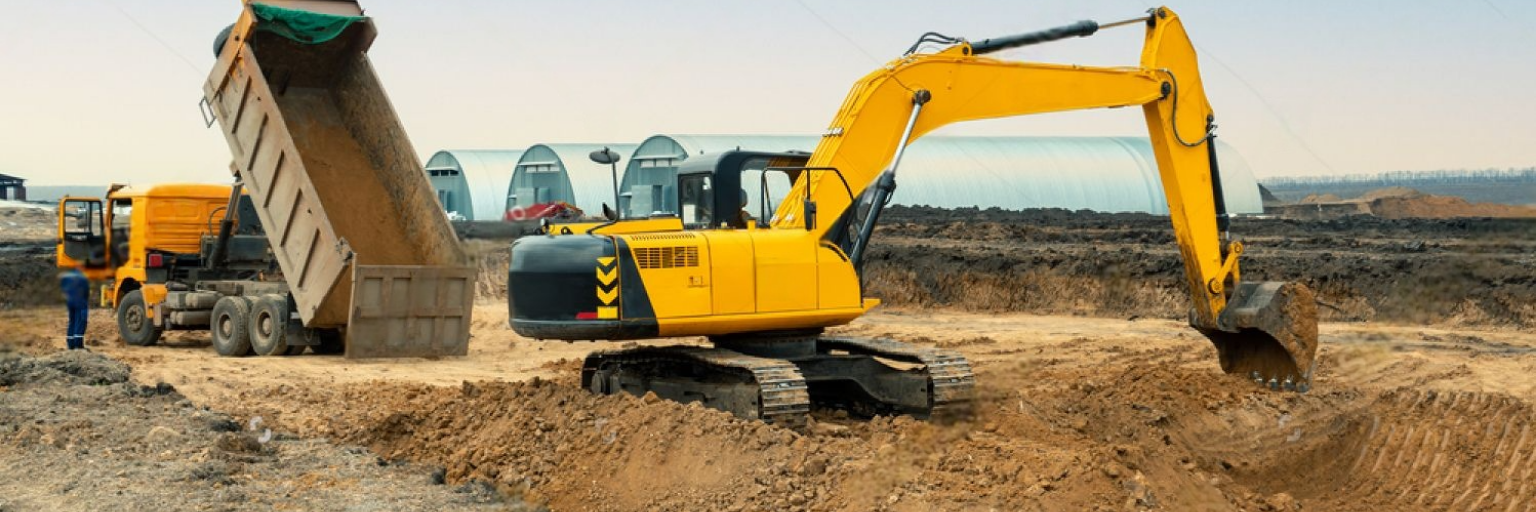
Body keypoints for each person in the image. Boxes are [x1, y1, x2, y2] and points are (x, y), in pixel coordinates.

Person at [59, 265, 90, 350]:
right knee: (80, 321)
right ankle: (78, 345)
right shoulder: (82, 277)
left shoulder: (68, 276)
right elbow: (86, 292)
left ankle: (70, 344)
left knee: (72, 321)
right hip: (80, 302)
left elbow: (63, 289)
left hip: (70, 302)